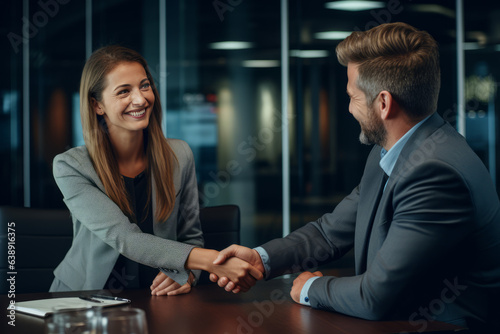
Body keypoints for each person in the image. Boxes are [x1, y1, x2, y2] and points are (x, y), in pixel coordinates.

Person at [210, 22, 500, 331]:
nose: (349, 109)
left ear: (384, 103)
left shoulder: (436, 173)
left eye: (353, 97)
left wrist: (309, 288)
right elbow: (330, 232)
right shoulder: (389, 151)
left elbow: (374, 297)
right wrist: (260, 259)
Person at [50, 45, 262, 295]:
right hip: (85, 297)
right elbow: (126, 239)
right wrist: (217, 261)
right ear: (98, 105)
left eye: (144, 85)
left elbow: (191, 236)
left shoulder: (179, 155)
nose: (140, 99)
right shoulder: (71, 166)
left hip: (159, 295)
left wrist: (189, 274)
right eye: (124, 91)